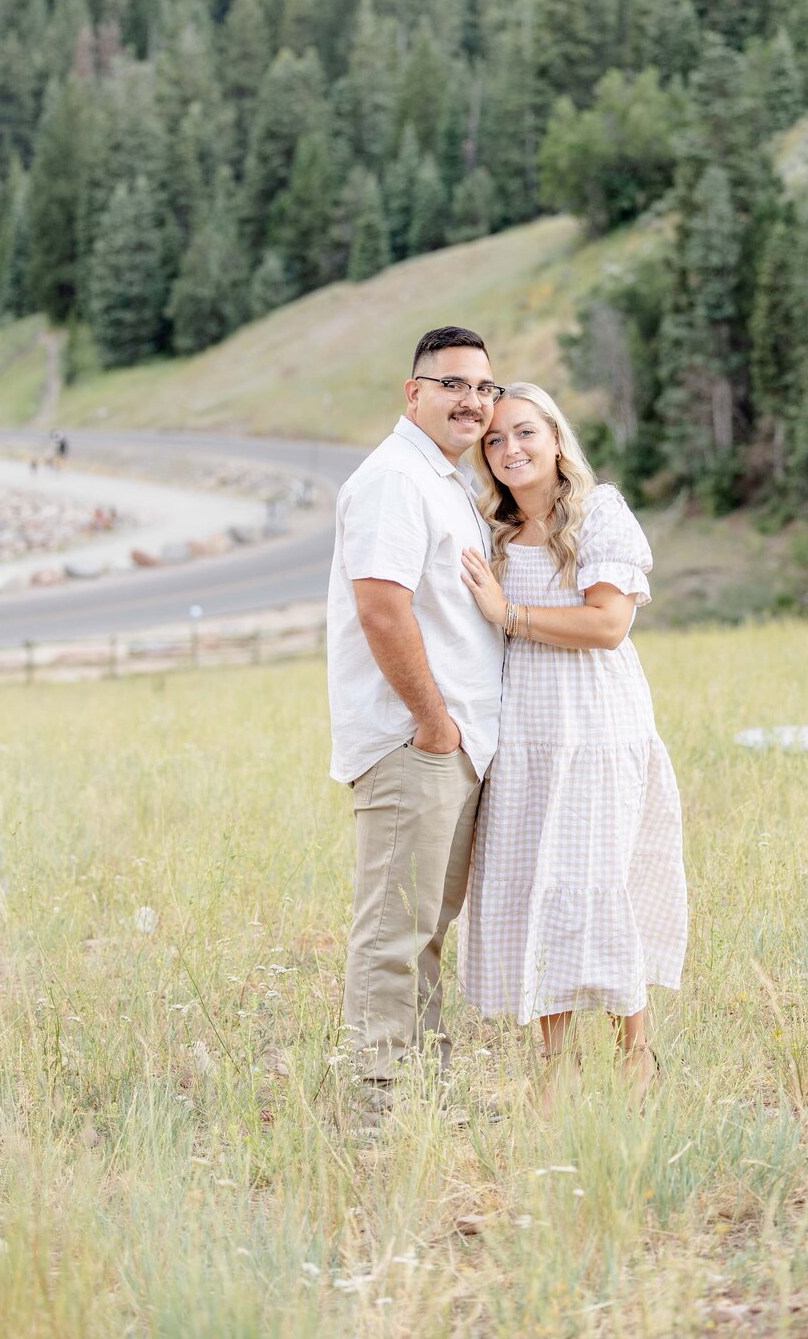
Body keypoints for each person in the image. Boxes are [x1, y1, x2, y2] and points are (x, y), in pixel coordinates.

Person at [458, 382, 687, 1098]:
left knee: (599, 879)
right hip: (525, 729)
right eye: (493, 440)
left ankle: (635, 1056)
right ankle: (553, 1068)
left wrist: (510, 612)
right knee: (538, 882)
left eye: (524, 432)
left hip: (595, 722)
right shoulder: (489, 532)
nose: (510, 449)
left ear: (557, 439)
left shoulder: (598, 513)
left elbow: (606, 625)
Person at [327, 326, 506, 1111]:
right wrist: (434, 724)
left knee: (428, 925)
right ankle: (379, 1101)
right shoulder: (395, 479)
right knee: (395, 928)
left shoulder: (444, 481)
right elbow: (381, 608)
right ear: (415, 392)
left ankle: (422, 1088)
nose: (473, 402)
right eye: (454, 385)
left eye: (485, 389)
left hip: (450, 742)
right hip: (415, 740)